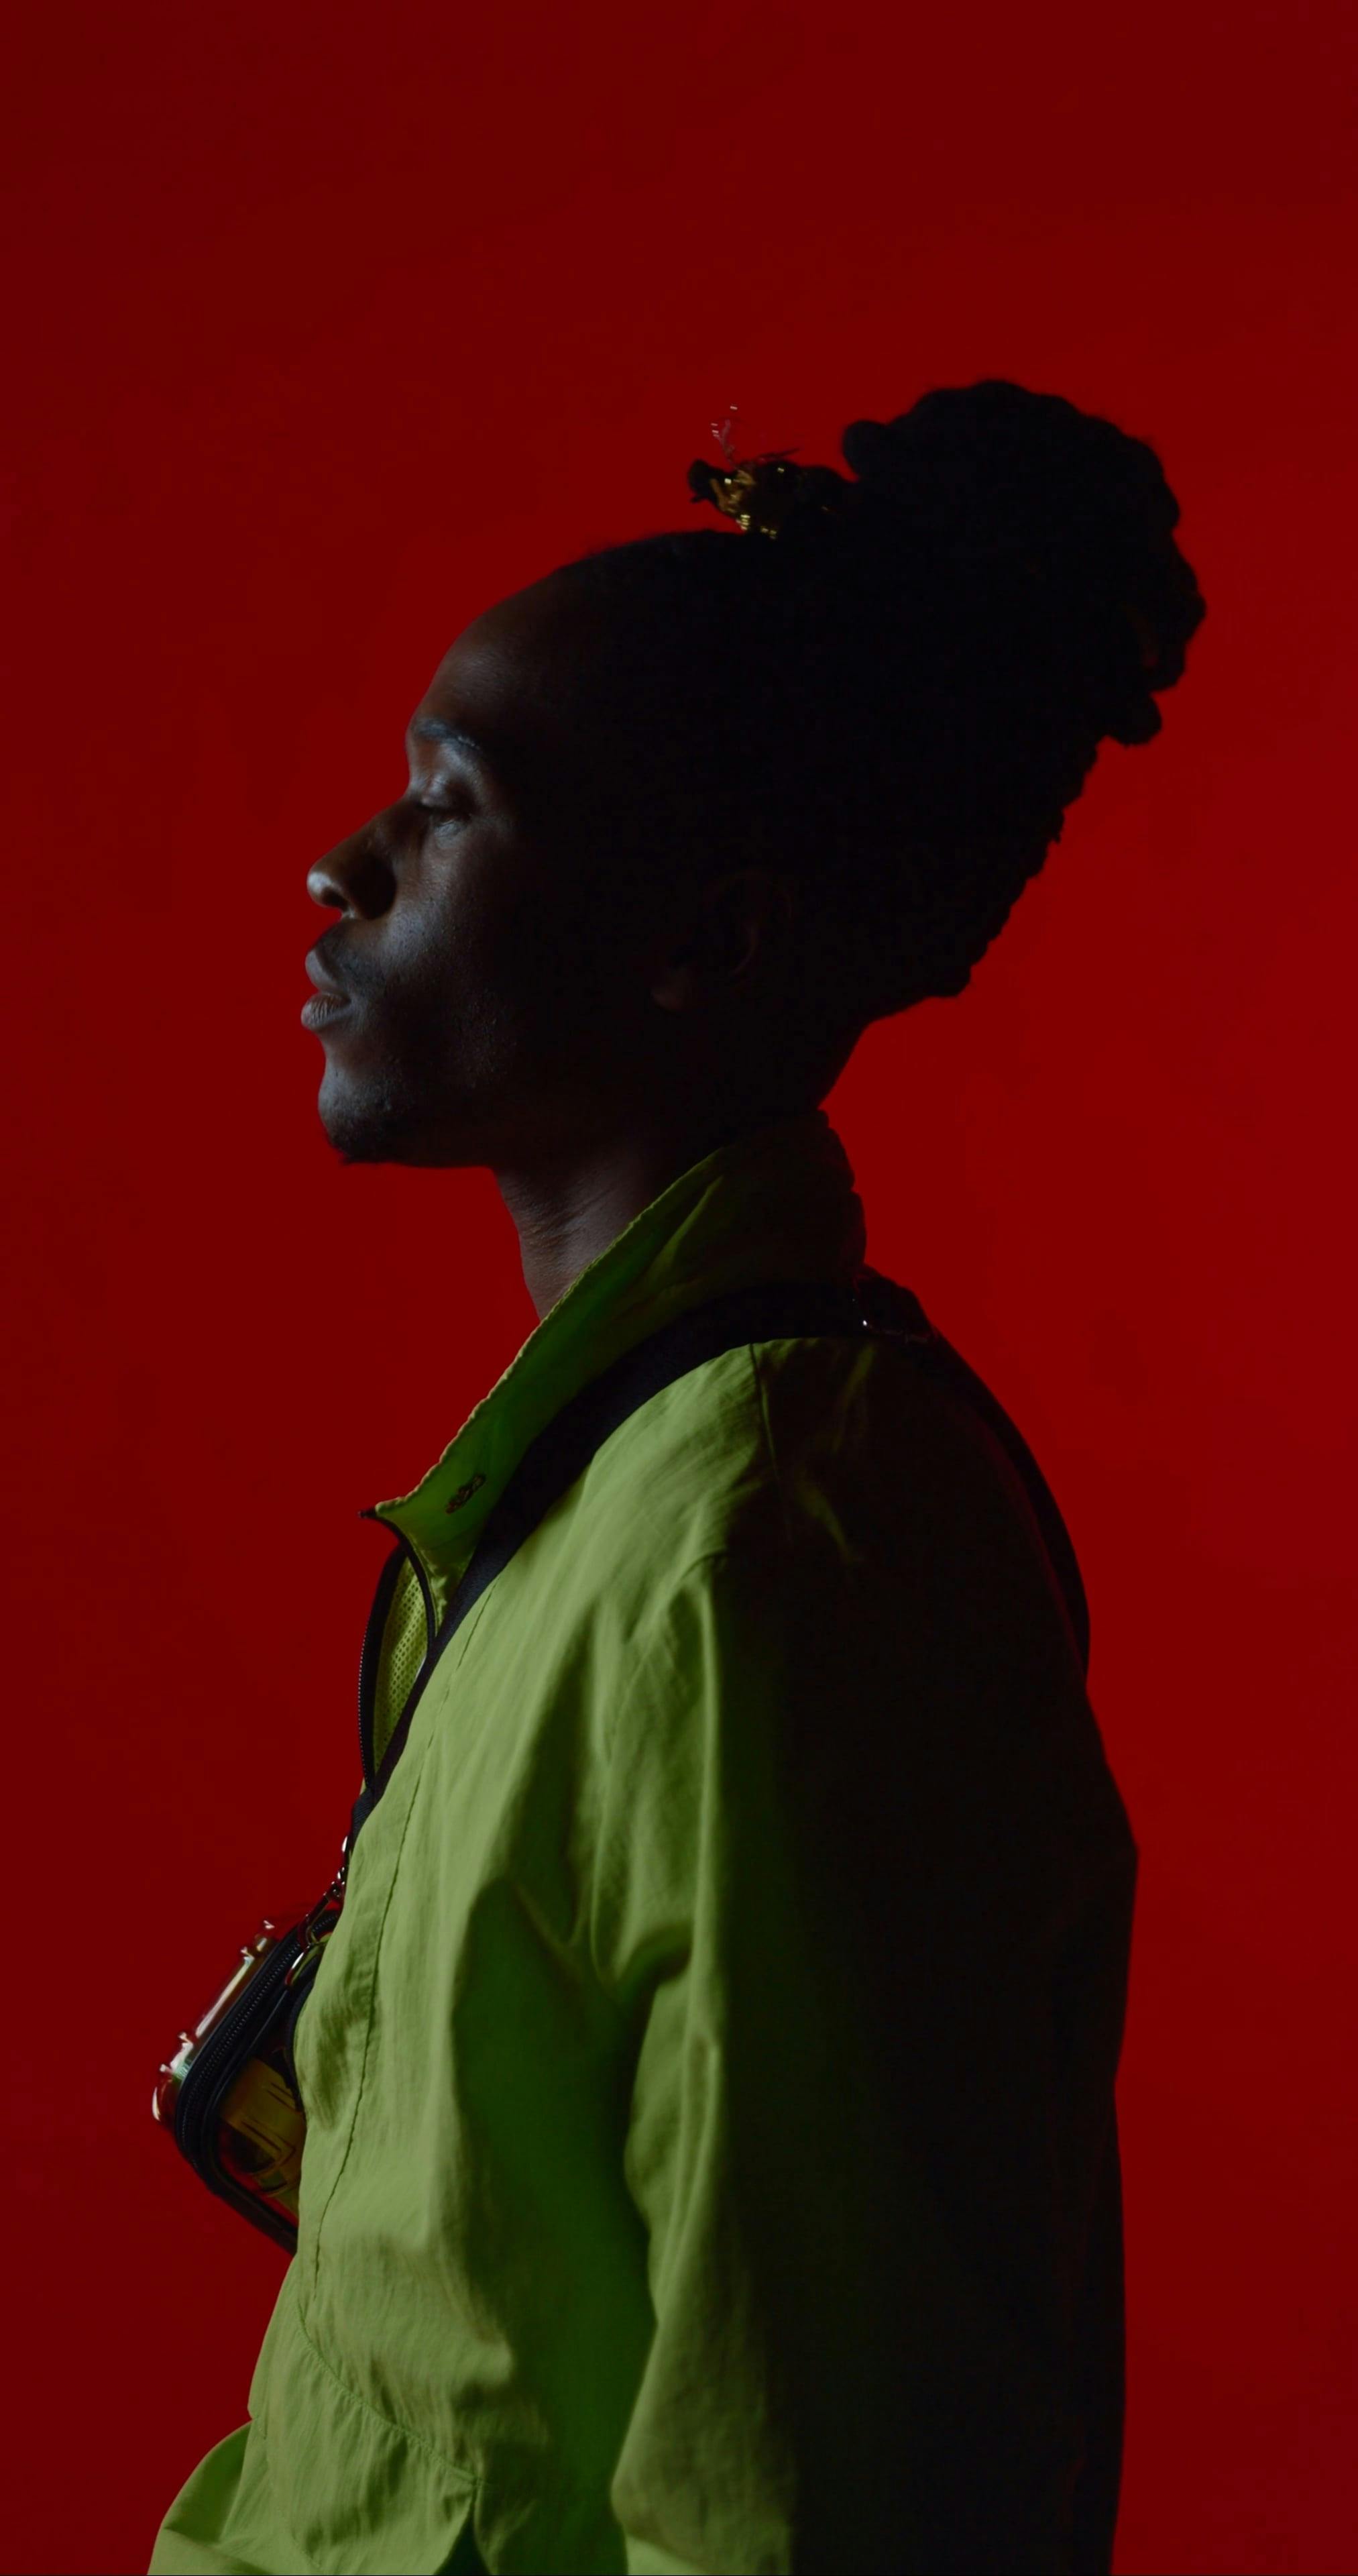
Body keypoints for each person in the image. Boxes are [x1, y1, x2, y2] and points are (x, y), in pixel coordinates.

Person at [148, 379, 1204, 2576]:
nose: (343, 868)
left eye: (449, 808)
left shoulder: (772, 1551)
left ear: (704, 939)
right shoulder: (592, 1504)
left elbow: (819, 2490)